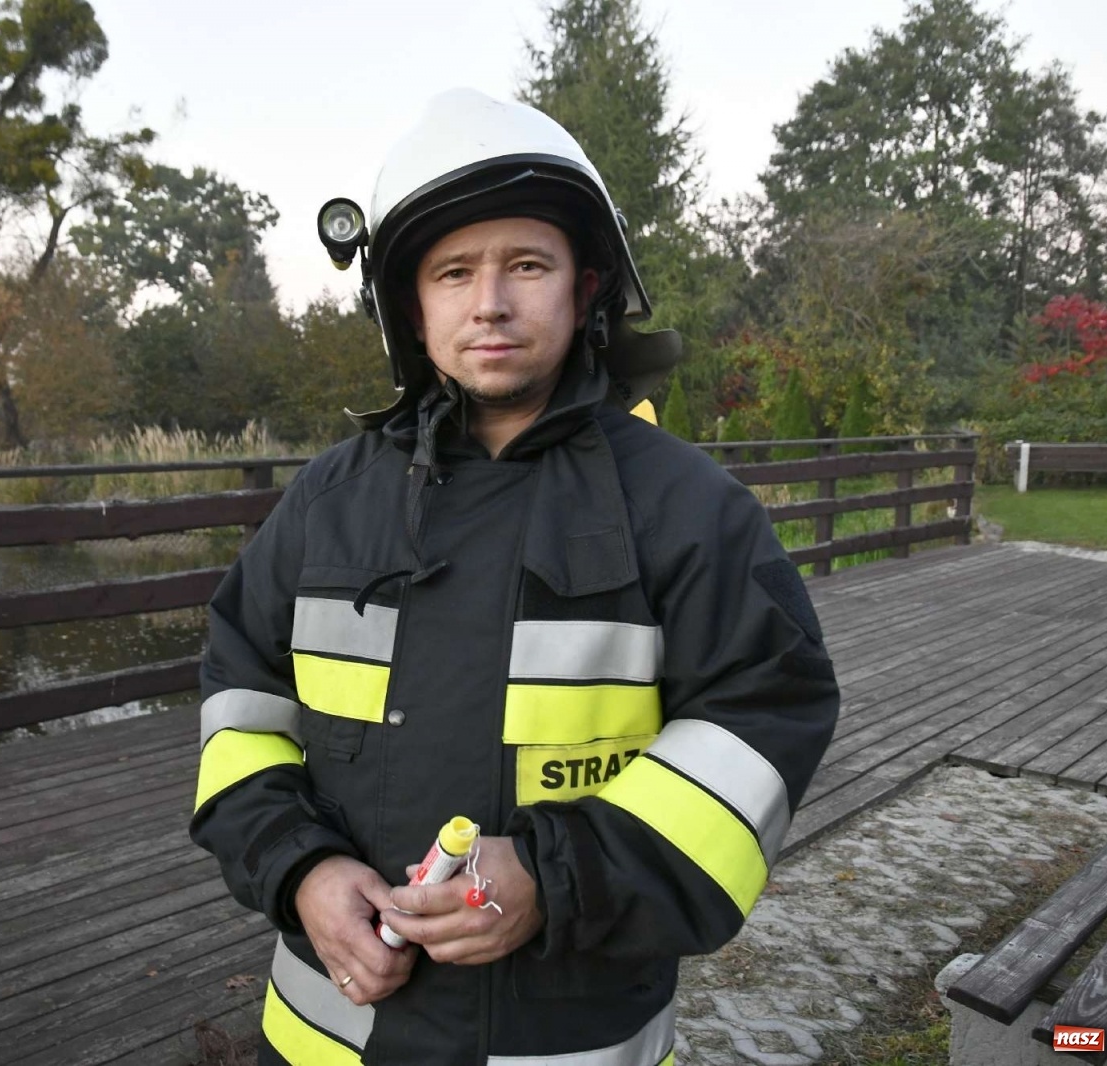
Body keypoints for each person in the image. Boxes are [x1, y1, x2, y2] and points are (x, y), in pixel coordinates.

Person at [190, 88, 840, 1066]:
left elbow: (760, 722)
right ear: (409, 305)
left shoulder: (688, 509)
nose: (488, 302)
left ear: (585, 290)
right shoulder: (327, 501)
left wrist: (553, 877)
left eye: (525, 264)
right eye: (453, 272)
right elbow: (241, 709)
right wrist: (304, 872)